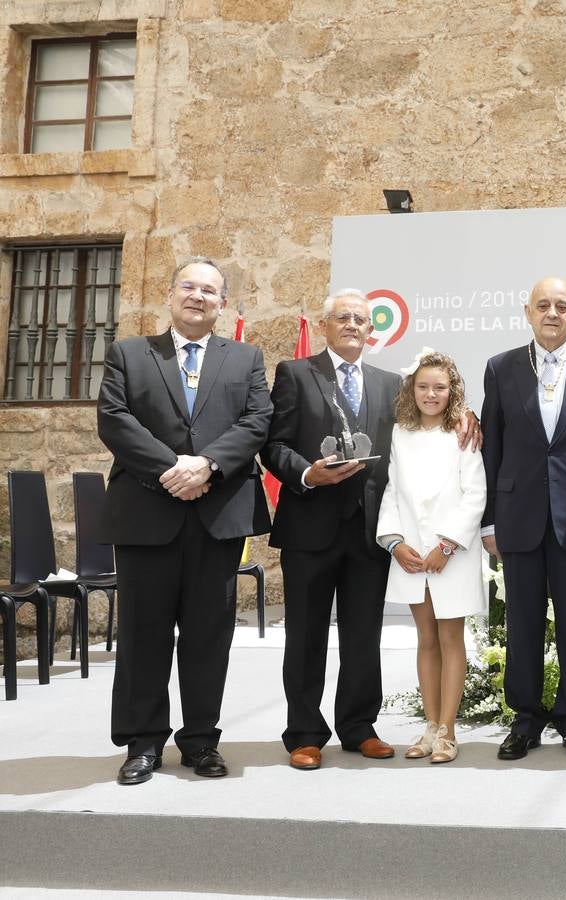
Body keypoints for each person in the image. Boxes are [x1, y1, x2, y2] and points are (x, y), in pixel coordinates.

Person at [97, 256, 272, 785]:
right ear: (171, 296)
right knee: (143, 634)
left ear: (222, 304)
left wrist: (209, 465)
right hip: (147, 512)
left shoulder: (245, 358)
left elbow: (257, 420)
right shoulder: (129, 353)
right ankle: (142, 743)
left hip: (215, 515)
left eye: (210, 291)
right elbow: (114, 418)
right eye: (189, 287)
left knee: (207, 636)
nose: (198, 296)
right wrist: (171, 467)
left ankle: (200, 742)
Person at [262, 289, 403, 771]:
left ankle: (359, 727)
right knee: (305, 635)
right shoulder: (295, 374)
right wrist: (307, 473)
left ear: (371, 330)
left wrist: (466, 418)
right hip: (310, 525)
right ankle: (304, 733)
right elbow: (273, 445)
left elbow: (413, 438)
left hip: (368, 531)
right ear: (324, 325)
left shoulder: (390, 382)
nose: (352, 326)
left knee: (364, 634)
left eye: (360, 320)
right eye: (342, 318)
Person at [480, 277, 566, 762]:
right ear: (528, 311)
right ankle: (525, 719)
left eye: (562, 305)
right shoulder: (501, 368)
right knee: (521, 625)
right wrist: (488, 522)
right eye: (543, 305)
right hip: (518, 518)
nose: (552, 313)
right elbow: (491, 446)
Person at [377, 349, 488, 764]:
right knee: (424, 640)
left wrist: (445, 546)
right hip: (411, 555)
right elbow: (392, 489)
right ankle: (428, 725)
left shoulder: (461, 433)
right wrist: (393, 540)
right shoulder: (400, 433)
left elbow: (475, 493)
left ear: (452, 390)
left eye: (440, 387)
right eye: (423, 386)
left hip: (450, 556)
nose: (431, 393)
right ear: (412, 388)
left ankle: (448, 729)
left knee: (449, 638)